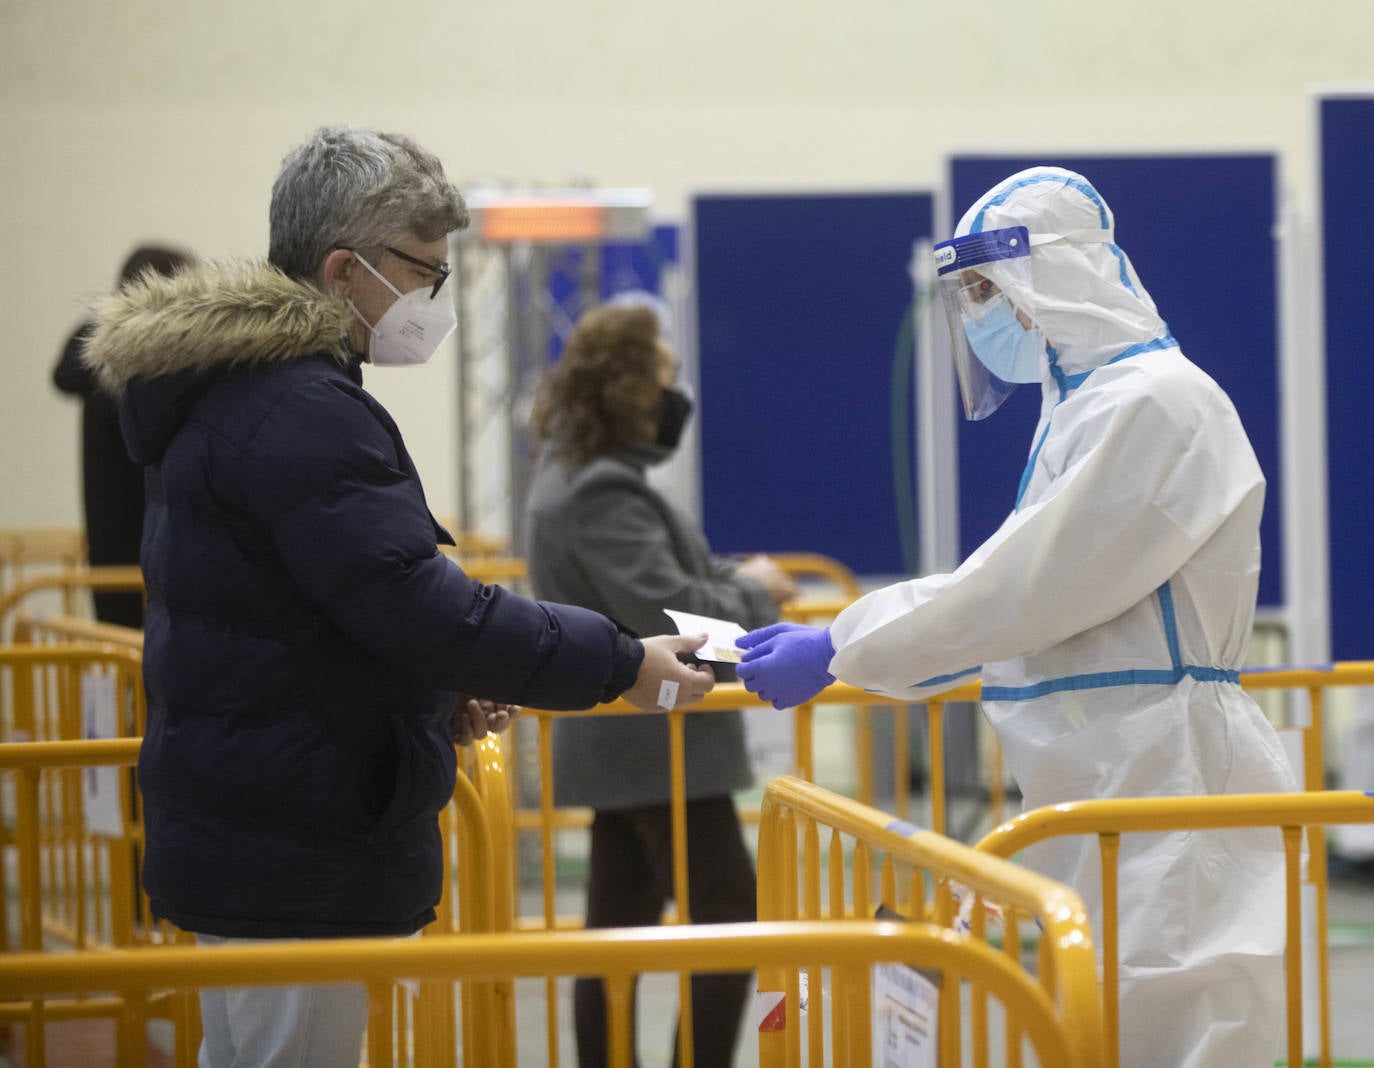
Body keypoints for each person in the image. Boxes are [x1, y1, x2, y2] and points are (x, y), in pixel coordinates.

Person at [80, 125, 715, 1068]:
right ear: (344, 271)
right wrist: (619, 662)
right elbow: (413, 601)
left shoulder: (249, 395)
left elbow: (314, 615)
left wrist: (425, 690)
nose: (433, 300)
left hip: (266, 821)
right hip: (294, 845)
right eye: (424, 272)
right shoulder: (300, 410)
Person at [735, 166, 1297, 1068]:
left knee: (1175, 1029)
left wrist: (843, 643)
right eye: (969, 296)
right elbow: (1032, 601)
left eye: (991, 289)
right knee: (1101, 1026)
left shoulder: (1159, 403)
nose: (982, 315)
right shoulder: (1086, 407)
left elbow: (1024, 587)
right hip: (1108, 776)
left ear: (1063, 273)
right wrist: (849, 646)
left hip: (1170, 784)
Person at [524, 299, 799, 1067]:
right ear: (628, 386)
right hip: (655, 748)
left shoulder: (583, 473)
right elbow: (673, 614)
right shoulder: (599, 489)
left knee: (618, 927)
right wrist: (755, 594)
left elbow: (667, 577)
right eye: (666, 376)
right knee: (727, 911)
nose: (676, 394)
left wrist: (732, 578)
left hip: (632, 747)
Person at [53, 245, 194, 627]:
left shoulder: (101, 362)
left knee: (118, 662)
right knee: (130, 663)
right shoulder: (133, 376)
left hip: (115, 548)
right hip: (142, 552)